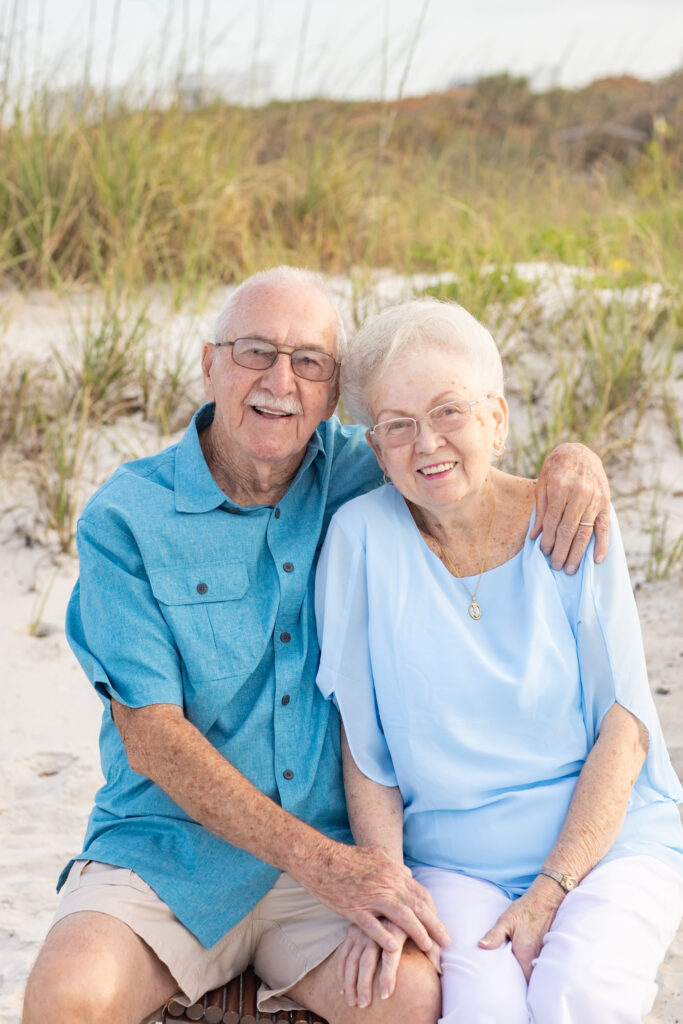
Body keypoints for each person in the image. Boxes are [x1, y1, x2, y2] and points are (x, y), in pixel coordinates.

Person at [23, 269, 610, 1024]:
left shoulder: (372, 469)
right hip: (169, 852)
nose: (280, 381)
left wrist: (573, 460)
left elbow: (469, 457)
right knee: (66, 998)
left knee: (414, 999)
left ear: (334, 395)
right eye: (255, 352)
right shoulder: (127, 518)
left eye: (310, 362)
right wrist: (325, 865)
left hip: (330, 866)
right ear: (209, 364)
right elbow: (153, 743)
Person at [314, 297, 683, 1024]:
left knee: (575, 995)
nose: (427, 445)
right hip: (450, 864)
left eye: (449, 412)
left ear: (496, 419)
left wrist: (551, 888)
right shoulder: (358, 542)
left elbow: (625, 727)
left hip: (606, 846)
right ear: (374, 445)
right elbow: (364, 749)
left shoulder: (570, 523)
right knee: (480, 1010)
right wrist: (385, 892)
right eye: (397, 427)